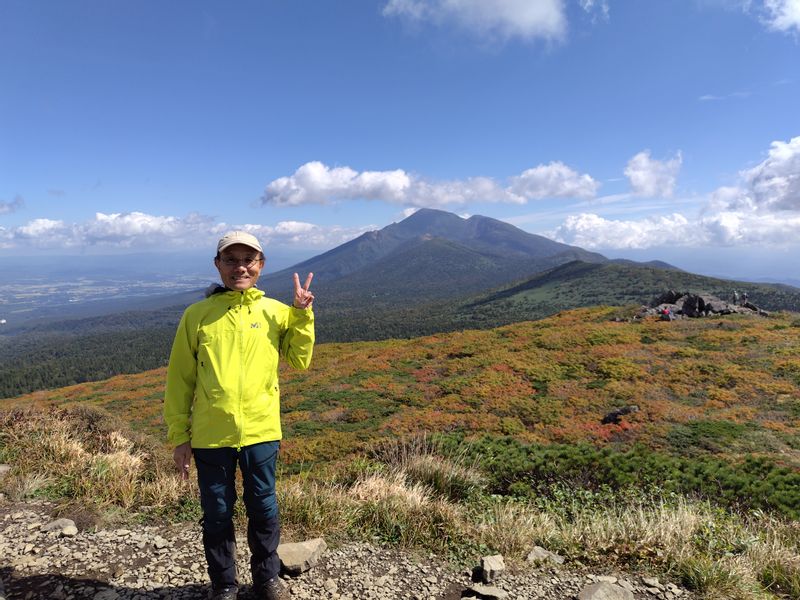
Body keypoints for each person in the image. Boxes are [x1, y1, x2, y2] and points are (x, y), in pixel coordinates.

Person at [163, 231, 315, 600]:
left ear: (261, 266)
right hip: (211, 434)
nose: (240, 266)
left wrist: (302, 315)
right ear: (218, 265)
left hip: (262, 432)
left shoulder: (277, 312)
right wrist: (179, 436)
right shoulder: (197, 315)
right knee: (216, 512)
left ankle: (266, 579)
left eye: (249, 259)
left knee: (263, 507)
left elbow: (300, 359)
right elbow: (180, 379)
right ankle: (224, 586)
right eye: (231, 259)